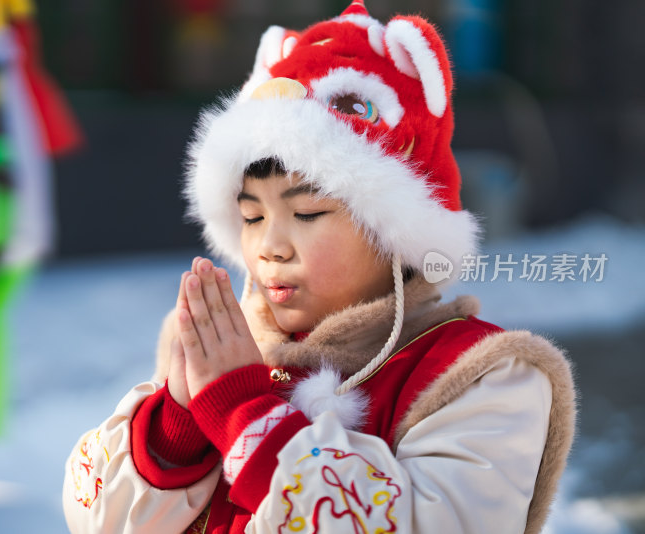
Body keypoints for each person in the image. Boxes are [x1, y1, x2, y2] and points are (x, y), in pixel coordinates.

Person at [62, 2, 576, 533]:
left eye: (306, 212)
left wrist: (246, 415)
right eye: (252, 215)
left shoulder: (477, 373)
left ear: (393, 229)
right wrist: (178, 426)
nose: (270, 246)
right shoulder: (230, 353)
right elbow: (97, 519)